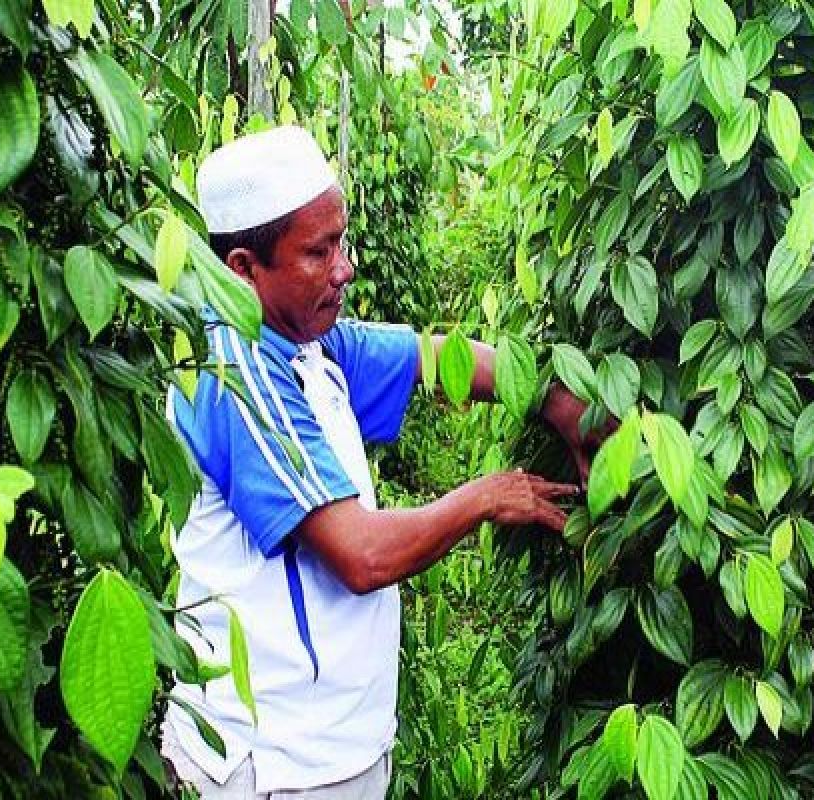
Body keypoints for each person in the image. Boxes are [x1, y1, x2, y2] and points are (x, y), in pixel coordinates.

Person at [158, 126, 596, 798]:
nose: (345, 267)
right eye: (317, 250)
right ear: (244, 268)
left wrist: (557, 399)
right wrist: (486, 496)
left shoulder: (308, 343)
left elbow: (433, 355)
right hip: (274, 766)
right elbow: (361, 555)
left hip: (333, 748)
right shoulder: (234, 375)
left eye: (342, 240)